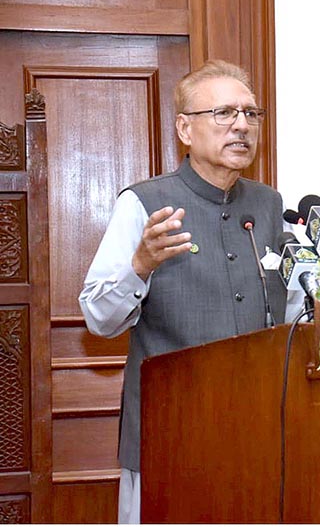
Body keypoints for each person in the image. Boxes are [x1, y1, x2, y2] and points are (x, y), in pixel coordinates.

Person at [79, 60, 293, 523]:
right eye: (223, 113)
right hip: (170, 434)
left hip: (258, 431)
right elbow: (98, 318)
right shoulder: (143, 203)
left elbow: (294, 308)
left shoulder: (269, 204)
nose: (241, 125)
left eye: (251, 114)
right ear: (185, 129)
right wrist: (140, 265)